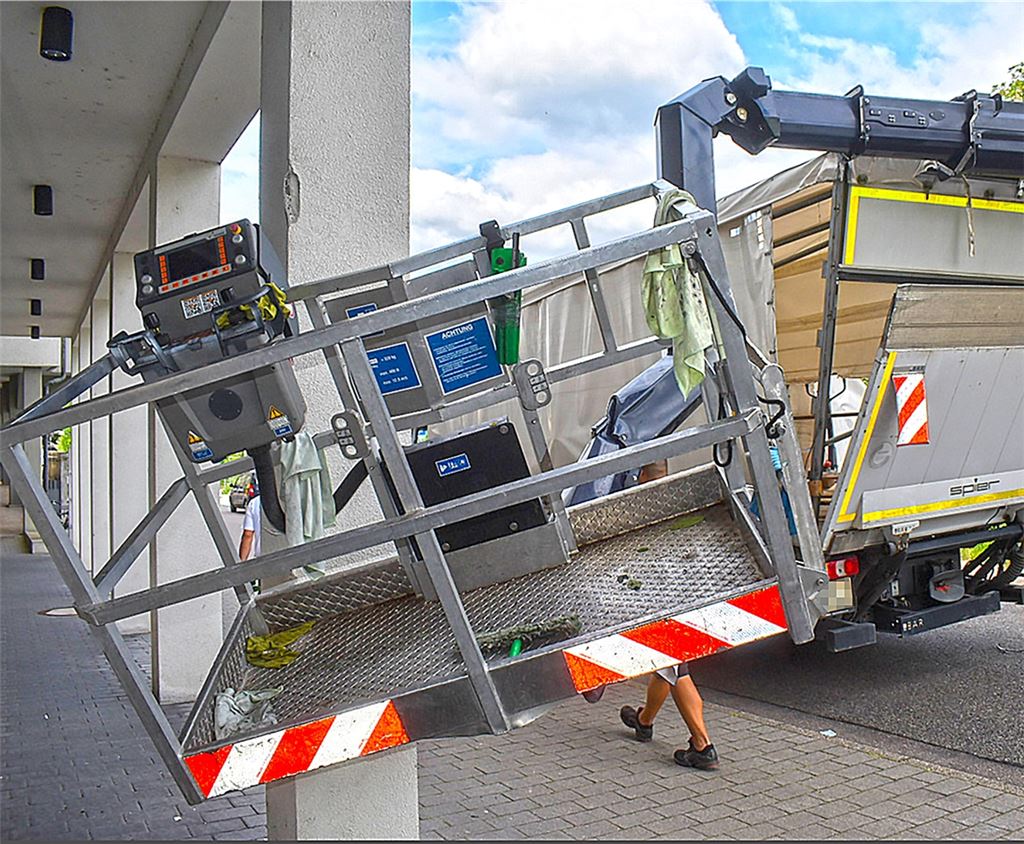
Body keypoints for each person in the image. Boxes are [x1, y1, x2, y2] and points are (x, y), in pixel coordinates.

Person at [585, 459, 719, 770]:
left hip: (660, 602)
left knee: (675, 669)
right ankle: (644, 722)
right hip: (682, 596)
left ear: (640, 476)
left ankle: (703, 745)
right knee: (664, 666)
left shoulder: (638, 510)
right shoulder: (675, 505)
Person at [238, 494, 262, 561]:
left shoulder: (255, 502)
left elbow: (248, 535)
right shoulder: (290, 500)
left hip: (262, 557)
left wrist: (242, 561)